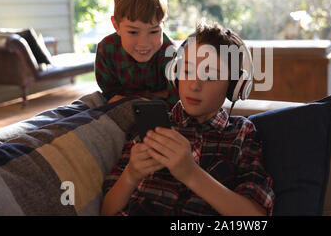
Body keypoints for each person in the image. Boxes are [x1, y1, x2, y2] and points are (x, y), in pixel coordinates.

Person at [101, 22, 275, 216]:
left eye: (209, 75)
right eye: (187, 71)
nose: (194, 85)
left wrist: (190, 173)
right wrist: (131, 175)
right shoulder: (148, 126)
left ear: (234, 86)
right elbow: (106, 211)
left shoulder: (242, 134)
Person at [95, 0, 179, 108]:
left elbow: (174, 101)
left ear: (163, 24)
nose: (144, 43)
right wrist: (158, 95)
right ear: (116, 25)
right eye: (133, 32)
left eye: (153, 31)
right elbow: (110, 97)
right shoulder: (106, 49)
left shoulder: (171, 54)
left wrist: (128, 98)